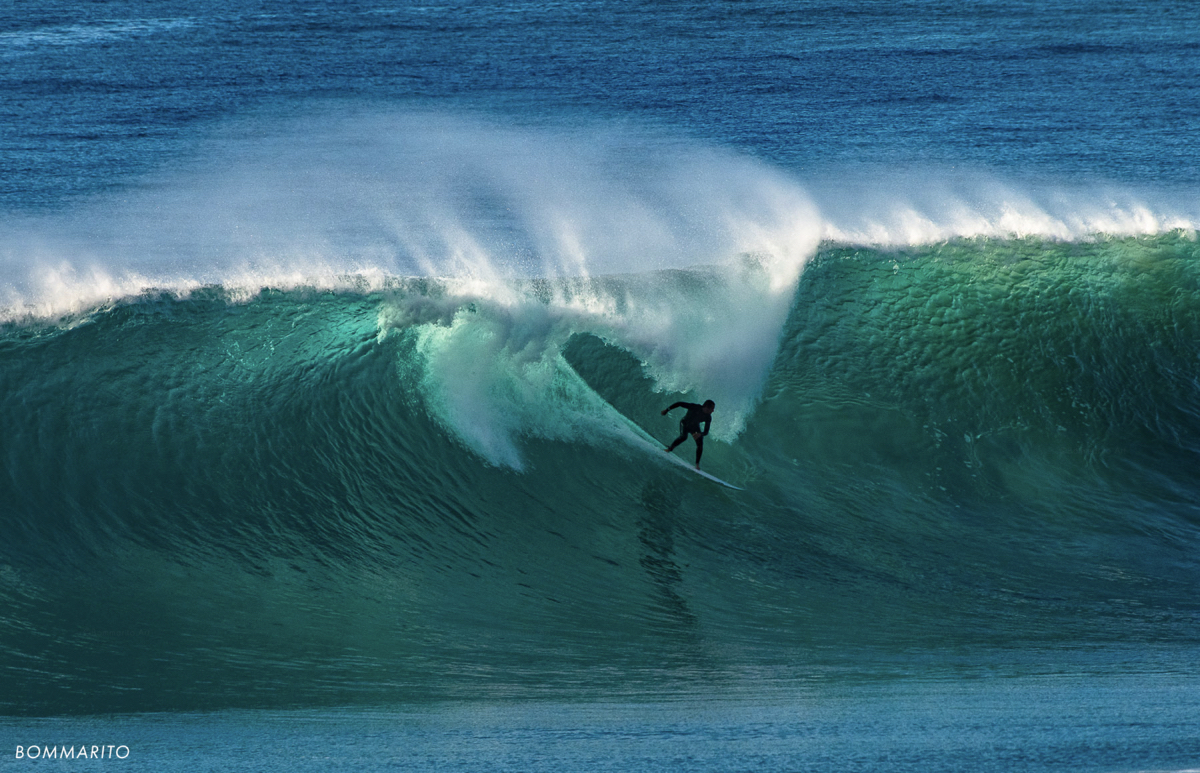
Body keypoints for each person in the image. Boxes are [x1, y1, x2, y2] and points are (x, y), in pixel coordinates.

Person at [662, 399, 715, 469]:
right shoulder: (694, 407)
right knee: (683, 437)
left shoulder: (708, 417)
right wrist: (667, 410)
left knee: (700, 444)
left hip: (695, 428)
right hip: (685, 423)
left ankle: (697, 464)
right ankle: (670, 449)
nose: (713, 411)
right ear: (706, 407)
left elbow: (706, 431)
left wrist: (700, 434)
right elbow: (679, 403)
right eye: (712, 408)